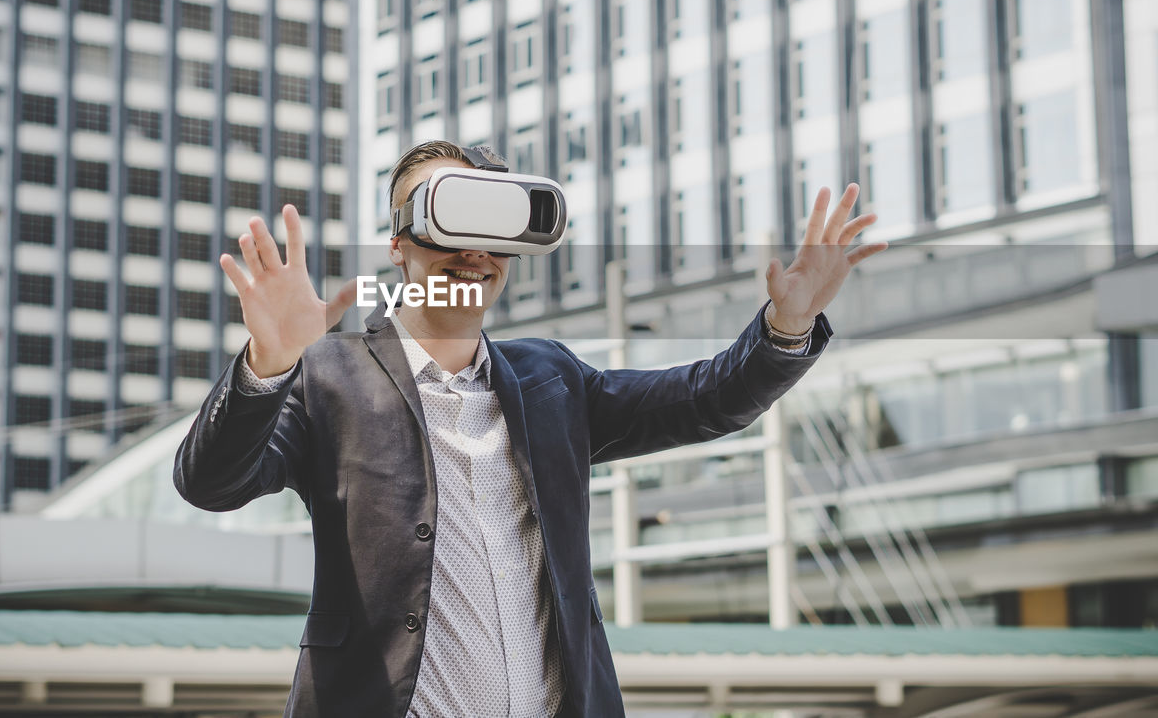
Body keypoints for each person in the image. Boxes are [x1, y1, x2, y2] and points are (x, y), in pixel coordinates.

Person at [173, 140, 887, 718]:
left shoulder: (553, 381)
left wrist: (786, 327)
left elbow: (705, 398)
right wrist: (268, 362)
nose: (475, 250)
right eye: (451, 219)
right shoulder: (329, 374)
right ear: (399, 243)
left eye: (496, 229)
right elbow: (210, 481)